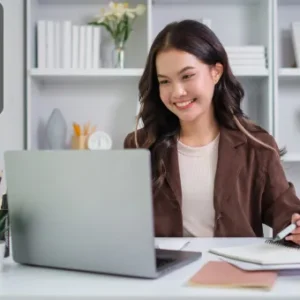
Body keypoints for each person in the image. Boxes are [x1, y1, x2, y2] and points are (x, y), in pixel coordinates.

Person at [123, 19, 300, 244]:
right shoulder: (140, 145)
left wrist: (296, 228)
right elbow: (124, 221)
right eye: (165, 81)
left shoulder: (256, 143)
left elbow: (286, 214)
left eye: (187, 76)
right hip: (163, 275)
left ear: (216, 72)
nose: (177, 92)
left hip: (234, 272)